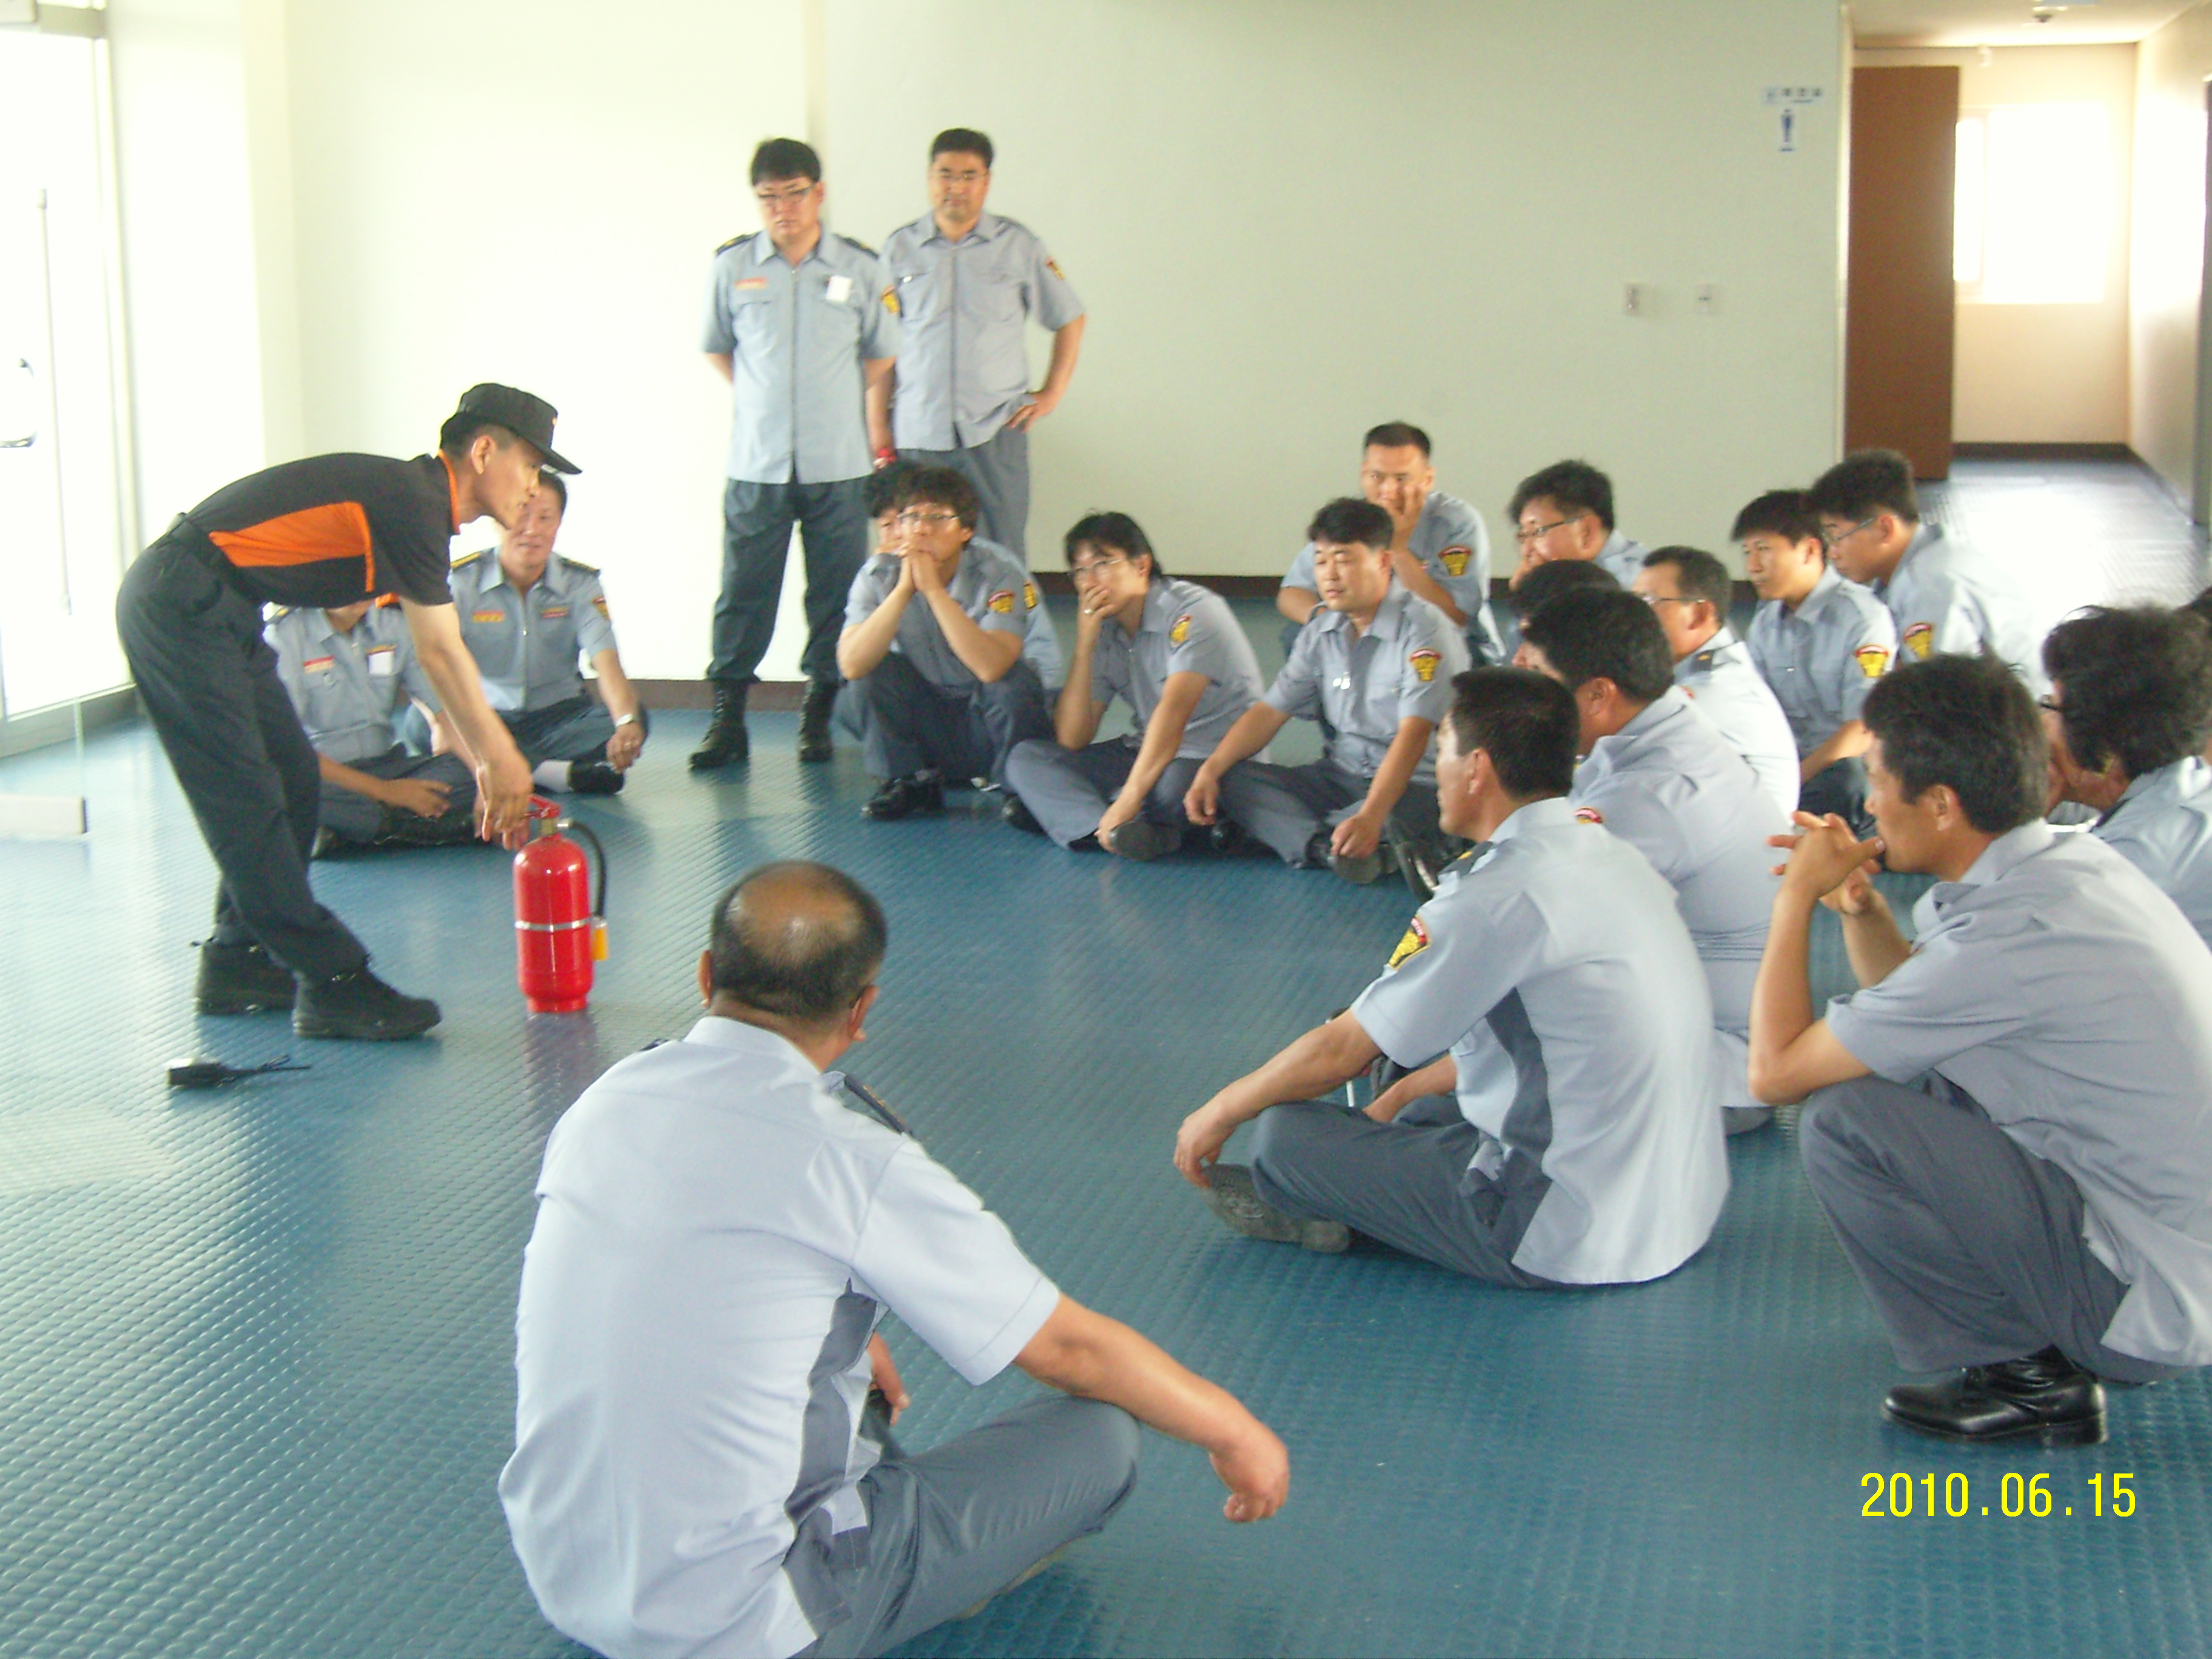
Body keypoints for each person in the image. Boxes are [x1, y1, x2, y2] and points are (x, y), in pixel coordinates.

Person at [501, 862, 1289, 1659]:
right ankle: (904, 1582)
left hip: (566, 1579)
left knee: (845, 1368)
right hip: (738, 1627)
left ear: (706, 975)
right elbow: (1067, 1350)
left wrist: (838, 1330)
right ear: (861, 1010)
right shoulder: (851, 1159)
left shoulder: (605, 1100)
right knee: (1101, 1440)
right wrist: (1233, 1431)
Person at [1751, 655, 2212, 1445]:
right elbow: (1919, 1016)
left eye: (1878, 782)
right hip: (2177, 1251)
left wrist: (1793, 898)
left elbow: (1775, 1074)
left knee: (1843, 1121)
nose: (1868, 803)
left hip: (2149, 1306)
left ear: (1940, 803)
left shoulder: (2006, 934)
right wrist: (1859, 911)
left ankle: (2029, 1383)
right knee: (1909, 1079)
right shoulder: (2063, 862)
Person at [1171, 668, 1727, 1285]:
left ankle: (1339, 1210)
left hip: (1561, 1232)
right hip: (1675, 1209)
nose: (1436, 771)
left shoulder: (1494, 895)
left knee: (1285, 1136)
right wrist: (1406, 1092)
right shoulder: (1611, 855)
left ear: (1477, 768)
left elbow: (1341, 1051)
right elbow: (1574, 1044)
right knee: (1410, 1082)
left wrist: (1218, 1112)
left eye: (1441, 751)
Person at [114, 382, 556, 1041]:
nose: (533, 487)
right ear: (485, 452)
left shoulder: (417, 507)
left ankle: (238, 959)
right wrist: (499, 756)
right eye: (531, 465)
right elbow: (439, 650)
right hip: (180, 604)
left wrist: (489, 756)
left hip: (223, 608)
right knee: (245, 799)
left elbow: (437, 655)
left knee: (293, 775)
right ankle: (335, 983)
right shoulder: (413, 503)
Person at [1517, 588, 1789, 1134]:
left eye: (1538, 679)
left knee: (1465, 1065)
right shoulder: (1659, 728)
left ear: (1598, 694)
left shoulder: (1652, 795)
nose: (1523, 699)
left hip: (1710, 1074)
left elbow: (1525, 928)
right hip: (1696, 1034)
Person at [695, 137, 899, 771]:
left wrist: (826, 401)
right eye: (769, 198)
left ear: (819, 193)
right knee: (743, 592)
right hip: (756, 464)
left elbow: (882, 354)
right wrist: (768, 400)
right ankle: (728, 720)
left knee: (835, 594)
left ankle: (818, 715)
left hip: (838, 463)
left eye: (794, 194)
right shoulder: (732, 266)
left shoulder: (861, 267)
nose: (782, 209)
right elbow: (718, 348)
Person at [1186, 498, 1468, 891]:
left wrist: (1371, 814)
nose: (1329, 575)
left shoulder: (1424, 631)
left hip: (1415, 783)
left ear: (1383, 562)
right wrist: (1210, 770)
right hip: (1341, 773)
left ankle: (1335, 836)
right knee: (1234, 779)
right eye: (1320, 561)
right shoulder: (1322, 630)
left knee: (1399, 816)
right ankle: (1329, 848)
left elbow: (1414, 735)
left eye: (1344, 560)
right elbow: (1269, 712)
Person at [1003, 512, 1265, 859]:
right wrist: (1084, 646)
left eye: (1102, 565)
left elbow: (1173, 717)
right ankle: (1113, 831)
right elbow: (1072, 737)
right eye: (1079, 571)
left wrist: (1129, 796)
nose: (1089, 582)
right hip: (1149, 751)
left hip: (1210, 757)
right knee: (1026, 759)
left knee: (1172, 788)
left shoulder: (1193, 612)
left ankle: (1083, 815)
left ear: (1141, 566)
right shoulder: (1105, 628)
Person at [882, 128, 1086, 560]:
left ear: (987, 181)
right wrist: (879, 426)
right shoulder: (899, 249)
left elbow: (1070, 317)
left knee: (1001, 553)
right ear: (929, 178)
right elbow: (880, 345)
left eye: (968, 176)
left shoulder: (1018, 246)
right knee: (919, 553)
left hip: (995, 429)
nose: (955, 186)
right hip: (919, 431)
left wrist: (1051, 395)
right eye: (945, 174)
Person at [834, 465, 1053, 820]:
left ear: (966, 530)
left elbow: (992, 667)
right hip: (931, 710)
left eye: (936, 517)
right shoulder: (878, 574)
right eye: (911, 517)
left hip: (985, 716)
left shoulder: (999, 574)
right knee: (867, 678)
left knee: (1012, 683)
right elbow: (851, 664)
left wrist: (934, 591)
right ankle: (908, 782)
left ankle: (1018, 789)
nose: (920, 528)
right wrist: (903, 590)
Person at [448, 471, 646, 796]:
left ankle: (505, 764)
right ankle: (554, 773)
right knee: (422, 723)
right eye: (521, 515)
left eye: (545, 518)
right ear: (497, 518)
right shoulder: (462, 583)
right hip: (486, 714)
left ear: (558, 524)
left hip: (559, 717)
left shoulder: (580, 584)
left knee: (631, 718)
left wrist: (627, 724)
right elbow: (442, 664)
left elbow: (607, 662)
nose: (532, 530)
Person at [1806, 447, 2045, 694]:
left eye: (1836, 536)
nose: (1832, 552)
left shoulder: (1928, 584)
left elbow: (1943, 694)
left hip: (2017, 708)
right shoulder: (1924, 553)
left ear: (1884, 529)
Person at [2042, 605, 2212, 946]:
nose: (2039, 722)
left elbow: (1998, 948)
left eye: (2052, 706)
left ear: (2106, 747)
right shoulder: (2186, 788)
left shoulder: (2133, 858)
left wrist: (2009, 831)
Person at [265, 597, 477, 855]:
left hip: (387, 766)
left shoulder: (396, 626)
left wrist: (486, 777)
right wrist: (385, 792)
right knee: (283, 789)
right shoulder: (284, 637)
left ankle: (353, 829)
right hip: (323, 775)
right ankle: (413, 829)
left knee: (467, 769)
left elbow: (443, 712)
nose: (353, 591)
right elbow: (289, 747)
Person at [1737, 488, 1895, 830]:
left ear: (1809, 550)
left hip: (1839, 767)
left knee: (1848, 781)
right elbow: (1752, 708)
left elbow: (1862, 729)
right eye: (1747, 552)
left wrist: (1792, 780)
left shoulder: (1862, 618)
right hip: (1786, 763)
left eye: (1764, 550)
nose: (1752, 566)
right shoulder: (1764, 624)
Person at [1275, 423, 1499, 662]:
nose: (1389, 491)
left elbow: (1456, 616)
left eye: (1402, 478)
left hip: (1447, 640)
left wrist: (1399, 550)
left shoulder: (1456, 523)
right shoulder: (1351, 518)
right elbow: (1291, 593)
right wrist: (1325, 618)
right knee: (1300, 634)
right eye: (1377, 477)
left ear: (1428, 479)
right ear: (1363, 474)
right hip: (1373, 634)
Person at [1631, 545, 1798, 819]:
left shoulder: (1716, 687)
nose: (1633, 617)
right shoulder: (1691, 674)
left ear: (1698, 615)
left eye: (1648, 601)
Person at [1506, 458, 1648, 591]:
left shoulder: (1637, 584)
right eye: (1524, 536)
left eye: (1538, 532)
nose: (1526, 551)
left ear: (1586, 532)